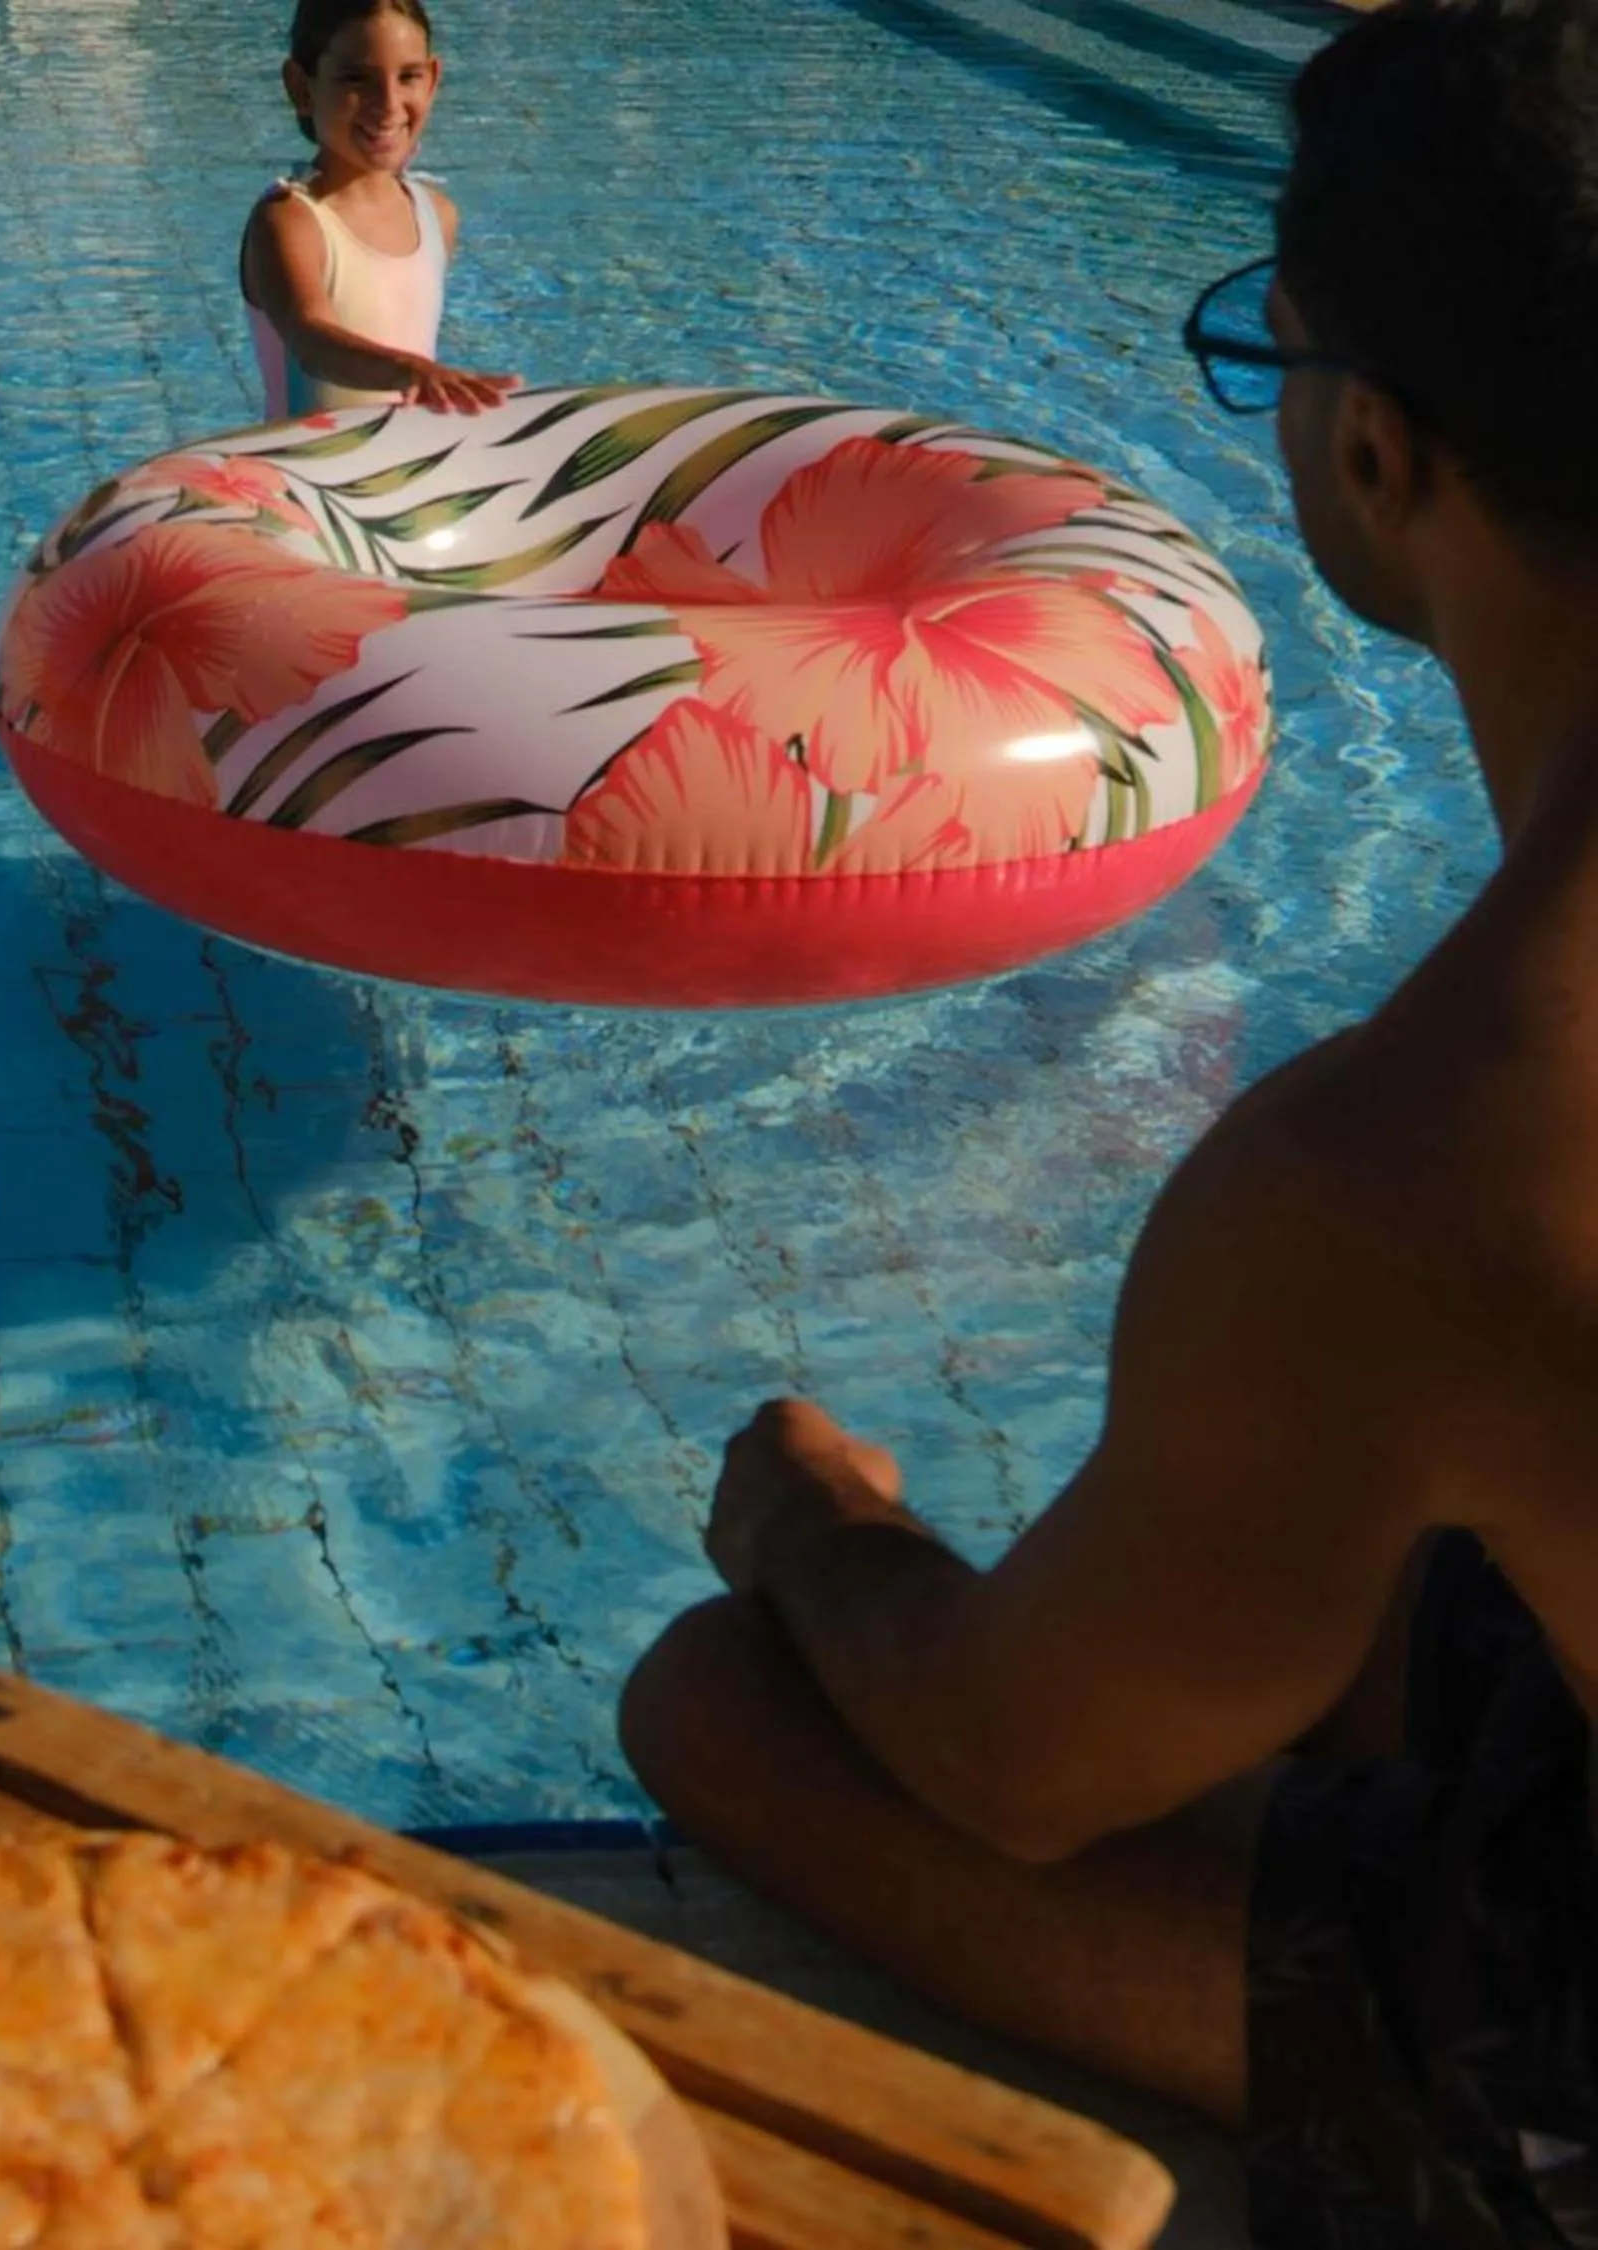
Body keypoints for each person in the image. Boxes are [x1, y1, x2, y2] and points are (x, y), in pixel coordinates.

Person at [615, 5, 1598, 2245]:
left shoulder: (1419, 1157)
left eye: (1278, 351)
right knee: (1392, 1561)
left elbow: (1017, 1765)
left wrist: (813, 1527)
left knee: (719, 1705)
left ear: (1378, 451)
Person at [239, 0, 519, 420]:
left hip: (403, 458)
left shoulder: (436, 215)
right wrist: (411, 371)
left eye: (408, 76)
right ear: (301, 88)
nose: (388, 104)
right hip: (305, 462)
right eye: (356, 79)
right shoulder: (290, 220)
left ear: (433, 80)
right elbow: (311, 342)